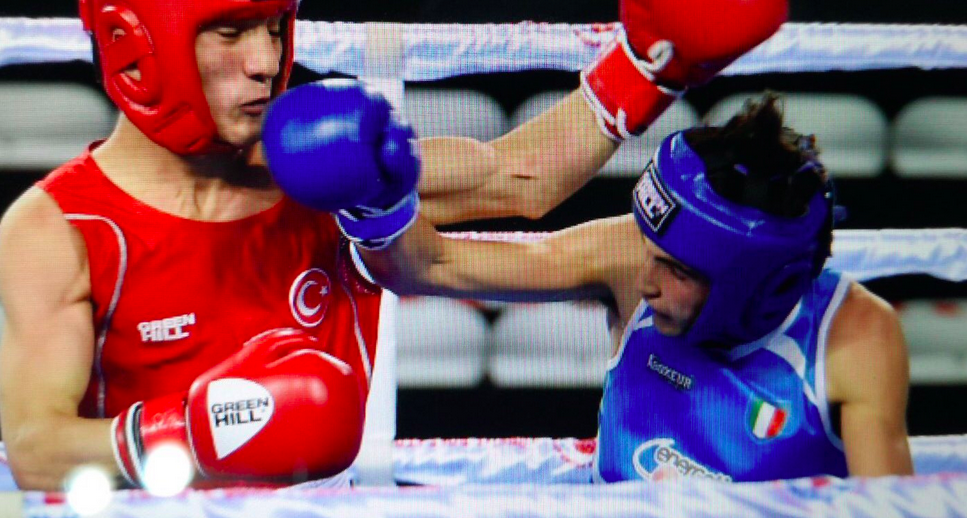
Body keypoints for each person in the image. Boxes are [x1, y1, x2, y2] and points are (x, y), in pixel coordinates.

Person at [0, 0, 784, 490]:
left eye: (273, 28)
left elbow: (518, 176)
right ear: (141, 41)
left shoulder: (324, 165)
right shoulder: (63, 227)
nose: (267, 62)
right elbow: (34, 446)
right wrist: (197, 431)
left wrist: (650, 68)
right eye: (230, 31)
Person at [271, 88, 914, 481]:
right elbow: (432, 266)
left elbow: (890, 514)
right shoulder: (630, 254)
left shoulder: (854, 335)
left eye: (679, 271)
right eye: (653, 251)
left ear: (760, 288)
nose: (648, 280)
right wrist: (378, 203)